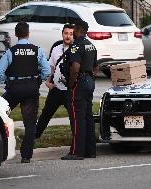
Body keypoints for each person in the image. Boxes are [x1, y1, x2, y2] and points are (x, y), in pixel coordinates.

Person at [0, 22, 51, 163]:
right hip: (31, 89)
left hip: (14, 88)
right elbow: (47, 71)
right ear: (28, 34)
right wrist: (39, 81)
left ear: (16, 34)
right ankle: (26, 156)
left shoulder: (10, 51)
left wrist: (6, 81)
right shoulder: (37, 50)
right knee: (30, 124)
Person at [61, 20, 98, 160]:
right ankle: (90, 150)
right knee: (88, 117)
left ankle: (77, 151)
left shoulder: (77, 45)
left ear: (76, 30)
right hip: (89, 81)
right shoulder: (91, 45)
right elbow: (96, 67)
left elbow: (75, 67)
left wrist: (71, 84)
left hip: (80, 83)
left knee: (78, 118)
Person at [35, 24, 74, 139]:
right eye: (66, 33)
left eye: (71, 34)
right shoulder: (56, 48)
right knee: (46, 113)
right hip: (56, 89)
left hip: (69, 91)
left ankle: (77, 138)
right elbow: (51, 67)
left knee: (73, 116)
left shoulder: (76, 49)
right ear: (62, 34)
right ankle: (36, 135)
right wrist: (47, 82)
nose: (68, 36)